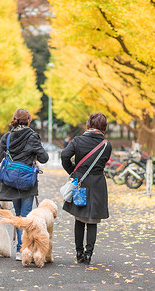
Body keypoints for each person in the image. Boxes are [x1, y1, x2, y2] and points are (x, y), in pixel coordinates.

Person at [0, 108, 49, 261]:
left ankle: (21, 250)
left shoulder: (7, 138)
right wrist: (33, 155)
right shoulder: (32, 137)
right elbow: (44, 158)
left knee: (19, 216)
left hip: (11, 181)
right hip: (27, 182)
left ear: (14, 119)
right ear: (29, 121)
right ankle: (24, 248)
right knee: (25, 216)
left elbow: (1, 158)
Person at [60, 112, 112, 265]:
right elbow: (103, 161)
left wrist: (73, 171)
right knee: (92, 221)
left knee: (79, 217)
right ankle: (88, 254)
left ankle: (78, 253)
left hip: (80, 183)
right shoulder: (106, 145)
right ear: (104, 127)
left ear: (89, 124)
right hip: (97, 185)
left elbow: (64, 156)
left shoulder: (78, 140)